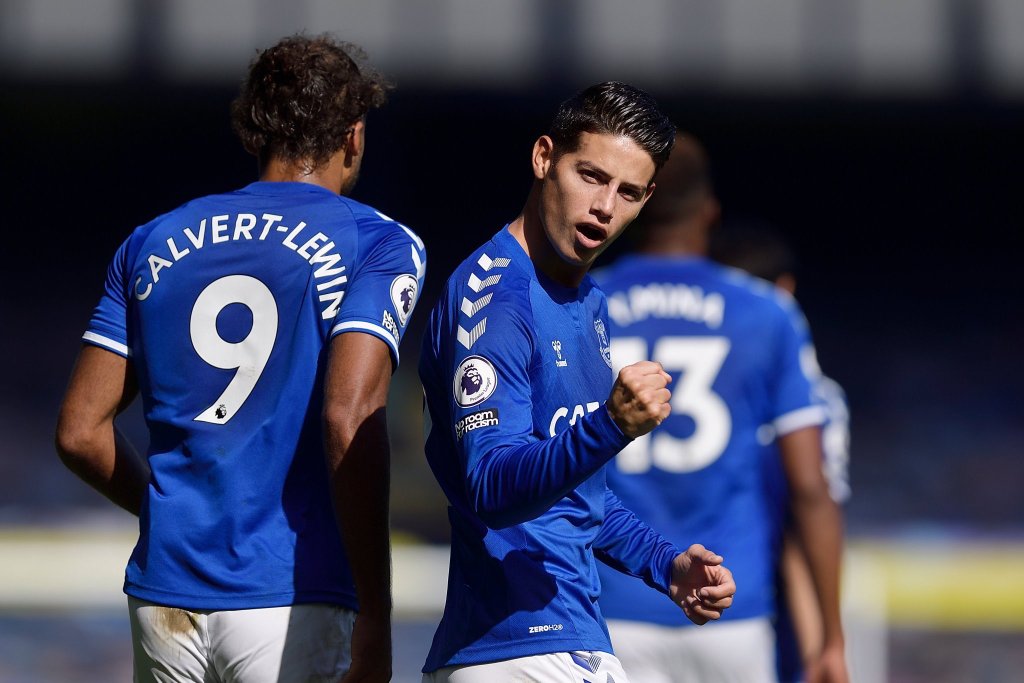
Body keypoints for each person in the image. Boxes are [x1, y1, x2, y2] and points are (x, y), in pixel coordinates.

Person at [54, 34, 426, 682]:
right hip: (294, 590)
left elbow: (79, 432)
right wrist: (375, 607)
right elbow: (350, 417)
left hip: (164, 589)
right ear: (355, 136)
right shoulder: (379, 242)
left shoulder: (151, 239)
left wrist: (165, 510)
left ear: (255, 133)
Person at [418, 82, 736, 682]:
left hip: (560, 632)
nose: (605, 207)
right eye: (591, 176)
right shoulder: (497, 299)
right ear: (544, 158)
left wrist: (664, 564)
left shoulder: (587, 300)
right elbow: (491, 483)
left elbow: (576, 494)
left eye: (629, 192)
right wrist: (611, 425)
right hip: (518, 646)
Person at [593, 133, 848, 682]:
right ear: (709, 212)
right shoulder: (767, 313)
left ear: (635, 207)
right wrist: (830, 636)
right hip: (731, 609)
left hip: (612, 606)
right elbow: (809, 486)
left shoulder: (582, 303)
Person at [710, 221, 852, 683]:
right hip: (755, 618)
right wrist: (826, 643)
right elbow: (806, 515)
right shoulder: (818, 402)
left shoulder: (659, 382)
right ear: (785, 291)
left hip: (650, 601)